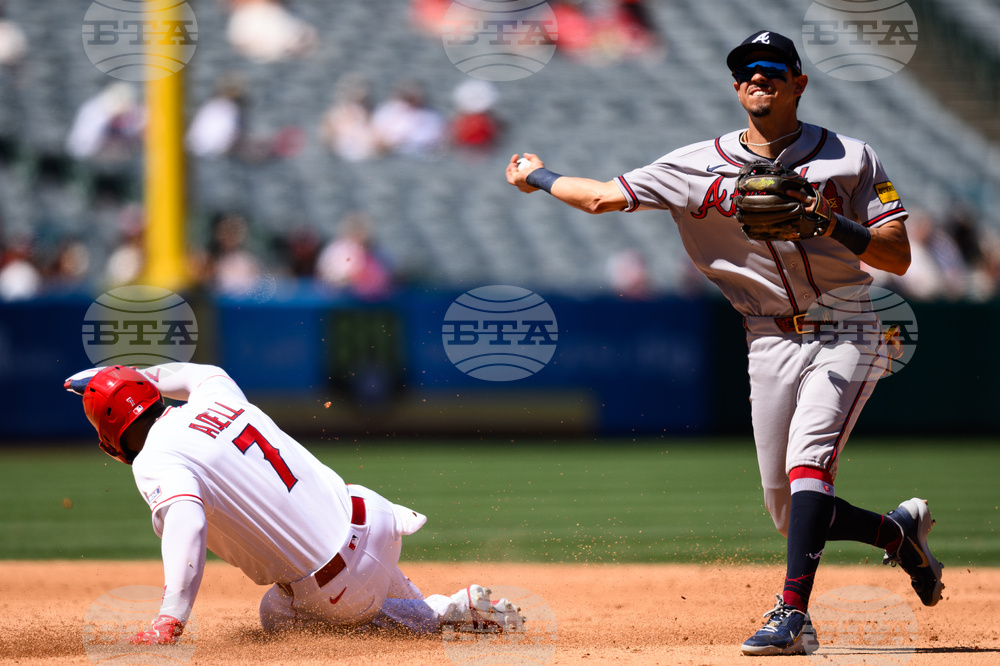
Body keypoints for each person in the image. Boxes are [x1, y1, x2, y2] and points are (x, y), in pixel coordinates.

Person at [506, 30, 943, 656]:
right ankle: (897, 535)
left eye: (772, 70)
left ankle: (791, 616)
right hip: (764, 338)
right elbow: (602, 196)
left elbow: (897, 255)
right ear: (736, 86)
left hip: (846, 325)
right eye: (745, 72)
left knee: (808, 463)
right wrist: (536, 175)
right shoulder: (692, 164)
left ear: (800, 83)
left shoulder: (850, 157)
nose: (757, 79)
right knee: (790, 509)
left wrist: (826, 219)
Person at [63, 362, 524, 643]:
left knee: (277, 614)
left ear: (108, 438)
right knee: (361, 583)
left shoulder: (154, 459)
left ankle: (446, 614)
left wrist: (171, 617)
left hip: (339, 581)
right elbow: (192, 373)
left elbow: (187, 523)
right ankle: (433, 609)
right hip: (373, 513)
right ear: (151, 392)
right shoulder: (215, 393)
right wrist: (124, 373)